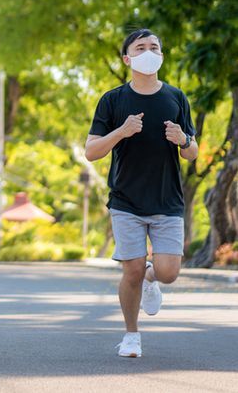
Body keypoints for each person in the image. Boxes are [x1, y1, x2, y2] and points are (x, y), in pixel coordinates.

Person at [85, 29, 198, 358]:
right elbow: (91, 151)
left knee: (168, 273)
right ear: (127, 58)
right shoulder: (113, 100)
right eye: (141, 47)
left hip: (168, 201)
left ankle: (152, 279)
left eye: (155, 47)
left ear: (161, 55)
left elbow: (193, 153)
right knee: (130, 269)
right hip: (126, 201)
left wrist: (184, 140)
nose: (149, 52)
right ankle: (131, 335)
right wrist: (121, 131)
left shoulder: (176, 98)